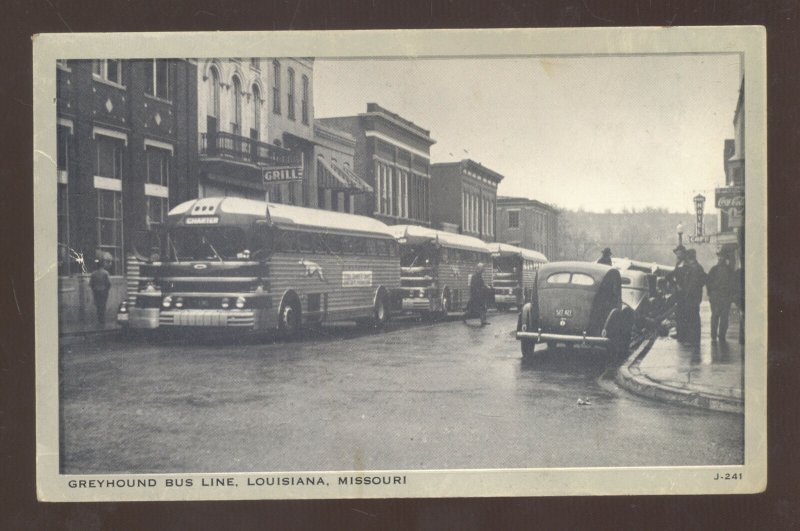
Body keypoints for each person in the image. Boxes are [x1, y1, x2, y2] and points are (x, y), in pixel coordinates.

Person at [706, 251, 736, 342]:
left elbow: (733, 284)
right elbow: (708, 282)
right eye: (719, 257)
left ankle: (721, 336)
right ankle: (714, 335)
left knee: (723, 317)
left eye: (722, 257)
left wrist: (730, 296)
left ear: (725, 258)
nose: (720, 258)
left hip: (725, 297)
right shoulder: (714, 270)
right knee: (716, 316)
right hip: (716, 297)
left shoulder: (729, 271)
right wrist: (710, 294)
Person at [665, 245, 688, 342]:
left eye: (679, 252)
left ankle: (683, 333)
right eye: (676, 253)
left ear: (683, 253)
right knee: (679, 312)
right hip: (679, 292)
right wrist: (674, 284)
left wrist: (681, 286)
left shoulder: (686, 264)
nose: (677, 254)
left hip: (685, 292)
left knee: (683, 313)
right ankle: (680, 332)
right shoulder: (678, 263)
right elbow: (671, 275)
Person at [684, 249, 706, 346]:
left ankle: (692, 340)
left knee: (691, 318)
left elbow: (692, 284)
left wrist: (687, 293)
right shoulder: (698, 267)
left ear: (689, 257)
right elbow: (703, 280)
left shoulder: (693, 268)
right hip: (696, 296)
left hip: (691, 297)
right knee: (694, 317)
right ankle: (695, 339)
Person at [89, 259, 111, 325]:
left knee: (98, 306)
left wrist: (94, 290)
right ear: (102, 265)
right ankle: (102, 320)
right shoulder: (106, 273)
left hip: (96, 291)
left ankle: (99, 320)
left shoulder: (93, 274)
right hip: (104, 291)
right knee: (103, 305)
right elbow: (109, 283)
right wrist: (107, 290)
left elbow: (91, 284)